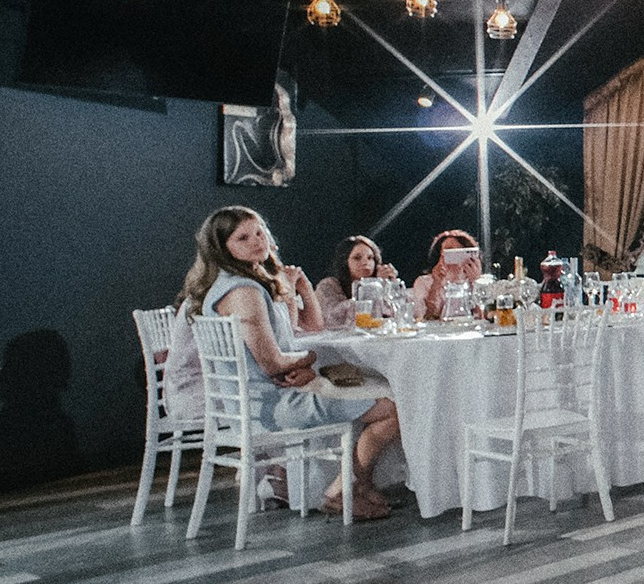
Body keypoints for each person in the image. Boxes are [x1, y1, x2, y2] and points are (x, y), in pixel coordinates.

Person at [178, 206, 401, 519]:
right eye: (243, 237)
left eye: (259, 232)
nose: (257, 241)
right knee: (392, 406)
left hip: (254, 401)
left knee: (365, 389)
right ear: (222, 248)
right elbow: (272, 363)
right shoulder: (244, 291)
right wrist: (310, 359)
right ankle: (341, 490)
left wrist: (302, 366)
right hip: (272, 406)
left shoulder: (226, 285)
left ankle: (357, 488)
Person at [406, 229, 484, 322]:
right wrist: (437, 283)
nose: (454, 255)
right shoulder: (424, 282)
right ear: (439, 255)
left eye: (459, 251)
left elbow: (484, 317)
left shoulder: (482, 282)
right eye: (448, 251)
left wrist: (476, 283)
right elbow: (427, 317)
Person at [316, 235, 396, 323]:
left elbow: (395, 313)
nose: (366, 262)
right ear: (345, 262)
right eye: (357, 258)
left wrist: (392, 285)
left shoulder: (382, 283)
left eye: (370, 258)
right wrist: (374, 287)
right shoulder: (327, 285)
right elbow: (335, 318)